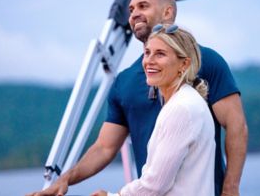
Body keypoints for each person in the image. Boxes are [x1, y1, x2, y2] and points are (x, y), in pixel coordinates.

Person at [26, 0, 248, 196]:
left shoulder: (206, 62)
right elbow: (104, 147)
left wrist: (230, 189)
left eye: (143, 6)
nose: (133, 14)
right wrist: (65, 180)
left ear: (168, 12)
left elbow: (236, 126)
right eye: (131, 10)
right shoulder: (124, 81)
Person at [92, 23, 215, 195]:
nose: (149, 61)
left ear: (184, 64)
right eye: (147, 53)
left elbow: (155, 185)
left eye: (160, 54)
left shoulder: (181, 109)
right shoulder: (187, 102)